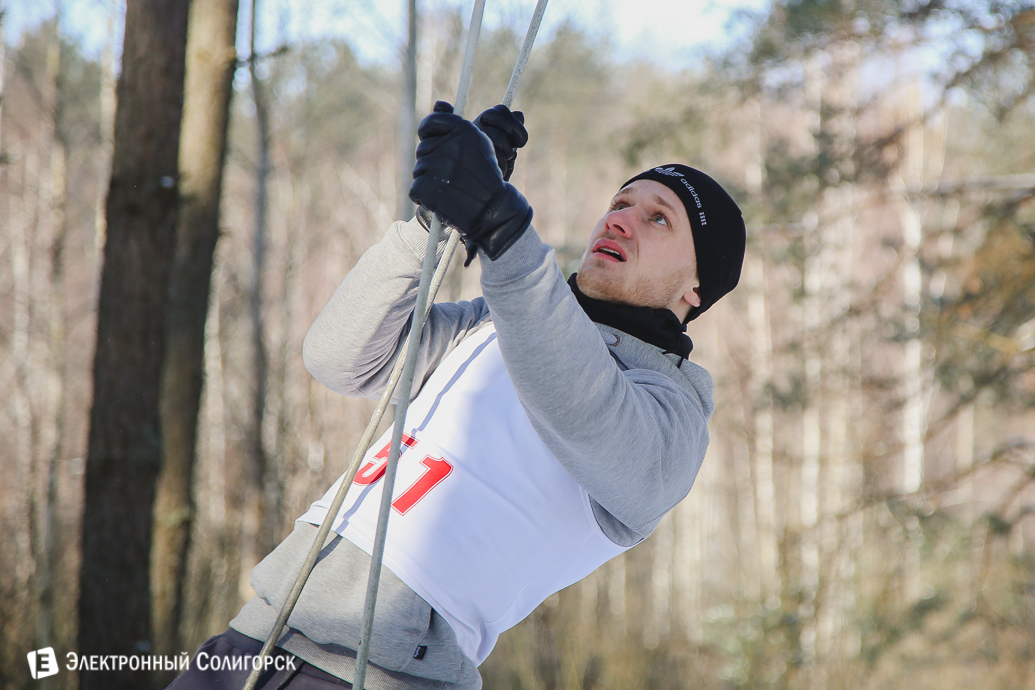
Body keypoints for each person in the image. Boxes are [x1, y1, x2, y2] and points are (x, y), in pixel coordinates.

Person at [167, 102, 745, 690]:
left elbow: (583, 406)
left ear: (697, 287)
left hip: (381, 673)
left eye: (659, 218)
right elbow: (340, 358)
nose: (620, 220)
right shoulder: (488, 324)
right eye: (620, 203)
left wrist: (502, 227)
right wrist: (436, 223)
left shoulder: (672, 419)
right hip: (252, 640)